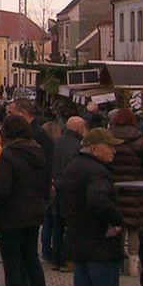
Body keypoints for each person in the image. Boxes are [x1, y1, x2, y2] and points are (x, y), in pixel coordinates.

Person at [58, 127, 125, 286]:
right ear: (95, 149)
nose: (114, 150)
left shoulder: (73, 166)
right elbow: (98, 200)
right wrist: (118, 218)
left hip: (78, 241)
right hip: (101, 244)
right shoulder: (98, 171)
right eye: (109, 146)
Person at [0, 114, 50, 286]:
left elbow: (2, 191)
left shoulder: (8, 155)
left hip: (11, 216)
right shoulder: (38, 151)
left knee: (12, 266)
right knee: (32, 259)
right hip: (33, 213)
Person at [107, 107, 143, 275]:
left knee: (117, 223)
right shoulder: (140, 140)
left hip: (114, 190)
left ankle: (115, 259)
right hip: (137, 191)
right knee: (135, 227)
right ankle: (134, 265)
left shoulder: (108, 138)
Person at [48, 116, 86, 270]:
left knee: (57, 226)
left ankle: (55, 257)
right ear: (78, 129)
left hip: (55, 188)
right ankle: (67, 259)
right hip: (72, 190)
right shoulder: (79, 146)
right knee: (70, 227)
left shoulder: (55, 143)